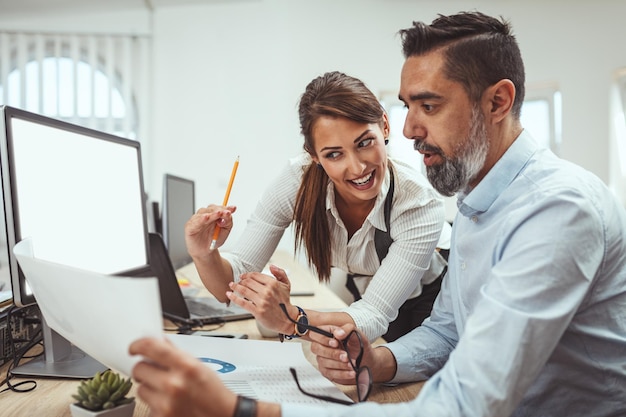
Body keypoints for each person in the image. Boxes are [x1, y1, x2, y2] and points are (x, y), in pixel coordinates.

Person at [129, 10, 626, 417]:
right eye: (408, 106)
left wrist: (246, 411)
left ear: (498, 101)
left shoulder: (557, 210)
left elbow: (465, 403)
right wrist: (380, 360)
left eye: (428, 107)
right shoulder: (479, 202)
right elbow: (448, 331)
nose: (408, 131)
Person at [184, 71, 450, 342]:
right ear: (313, 155)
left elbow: (374, 313)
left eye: (365, 143)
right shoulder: (296, 182)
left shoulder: (418, 204)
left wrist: (291, 318)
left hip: (428, 296)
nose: (357, 168)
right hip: (367, 288)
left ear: (384, 126)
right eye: (334, 154)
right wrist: (204, 254)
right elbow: (232, 284)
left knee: (407, 373)